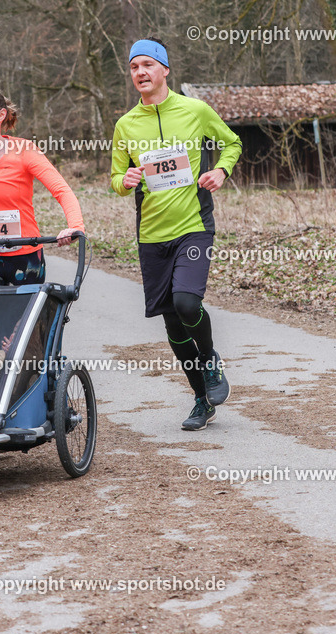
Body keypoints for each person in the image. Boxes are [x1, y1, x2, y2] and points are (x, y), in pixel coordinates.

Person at [110, 38, 242, 431]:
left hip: (193, 227)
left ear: (165, 69)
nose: (141, 73)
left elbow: (232, 143)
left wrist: (220, 171)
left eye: (148, 64)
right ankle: (202, 399)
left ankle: (211, 358)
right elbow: (117, 177)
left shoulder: (195, 110)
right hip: (152, 234)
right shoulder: (125, 124)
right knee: (171, 323)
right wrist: (125, 179)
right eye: (134, 67)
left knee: (187, 303)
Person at [0, 88, 83, 287]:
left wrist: (75, 226)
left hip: (25, 253)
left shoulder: (25, 150)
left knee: (27, 317)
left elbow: (62, 191)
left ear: (1, 115)